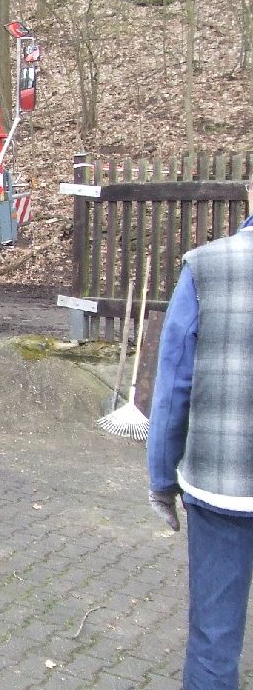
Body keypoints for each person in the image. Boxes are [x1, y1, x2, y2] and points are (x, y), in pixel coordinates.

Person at [147, 180, 253, 690]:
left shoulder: (207, 267)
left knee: (214, 640)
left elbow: (173, 388)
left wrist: (162, 480)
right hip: (220, 490)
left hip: (220, 487)